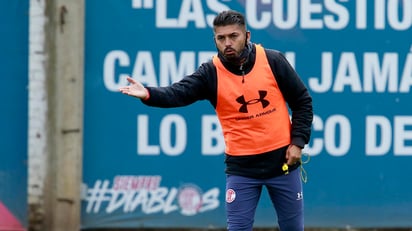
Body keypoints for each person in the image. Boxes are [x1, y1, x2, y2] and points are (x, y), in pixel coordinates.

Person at [119, 10, 313, 231]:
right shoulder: (210, 73)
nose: (227, 43)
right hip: (242, 169)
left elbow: (302, 101)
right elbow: (178, 93)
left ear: (247, 36)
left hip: (283, 164)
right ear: (215, 40)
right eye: (221, 38)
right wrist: (149, 94)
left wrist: (298, 142)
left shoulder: (273, 60)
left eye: (233, 36)